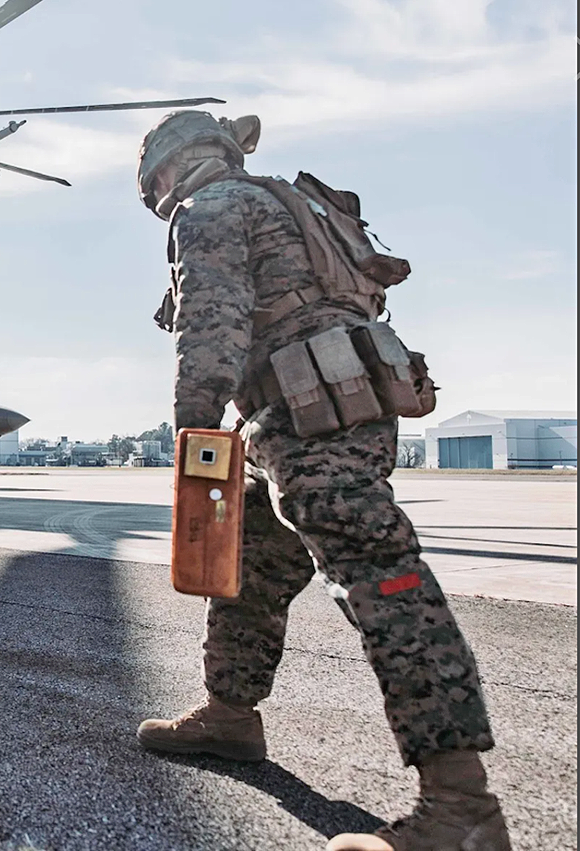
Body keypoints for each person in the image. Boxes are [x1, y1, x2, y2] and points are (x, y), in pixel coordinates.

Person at [133, 111, 511, 851]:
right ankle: (229, 714)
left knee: (381, 578)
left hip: (306, 414)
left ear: (170, 170)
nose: (157, 198)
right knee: (248, 570)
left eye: (154, 186)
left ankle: (460, 807)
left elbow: (209, 323)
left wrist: (193, 433)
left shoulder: (207, 206)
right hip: (335, 406)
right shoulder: (300, 205)